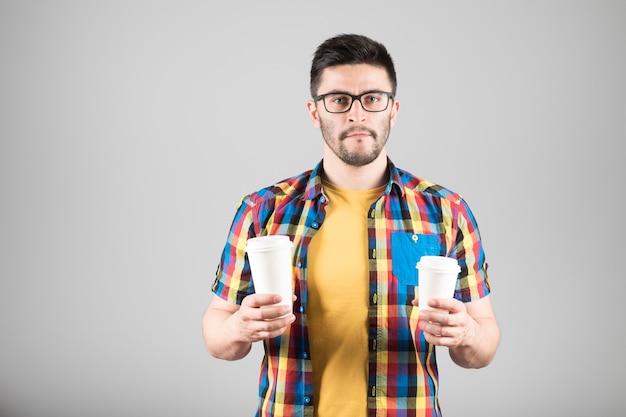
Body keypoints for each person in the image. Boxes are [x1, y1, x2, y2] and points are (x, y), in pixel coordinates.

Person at [202, 33, 500, 417]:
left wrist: (468, 334)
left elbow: (484, 343)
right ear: (315, 112)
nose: (357, 114)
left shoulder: (445, 211)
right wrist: (240, 327)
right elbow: (217, 332)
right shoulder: (263, 210)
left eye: (372, 99)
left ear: (393, 110)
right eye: (339, 100)